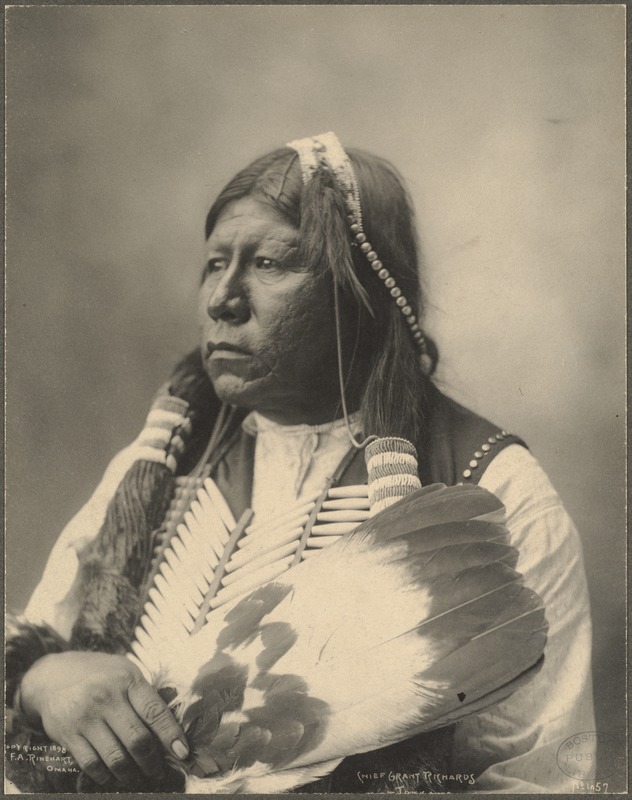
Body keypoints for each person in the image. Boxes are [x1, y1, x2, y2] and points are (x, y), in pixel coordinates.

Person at [6, 132, 594, 793]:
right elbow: (37, 668)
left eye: (270, 264)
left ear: (365, 296)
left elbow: (539, 780)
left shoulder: (493, 489)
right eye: (214, 264)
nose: (223, 299)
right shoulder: (161, 469)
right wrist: (41, 679)